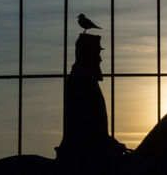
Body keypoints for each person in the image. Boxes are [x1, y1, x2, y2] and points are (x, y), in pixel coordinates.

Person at [55, 33, 128, 174]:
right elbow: (88, 127)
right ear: (87, 54)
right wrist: (110, 145)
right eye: (97, 53)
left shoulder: (84, 81)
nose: (100, 59)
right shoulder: (81, 83)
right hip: (84, 155)